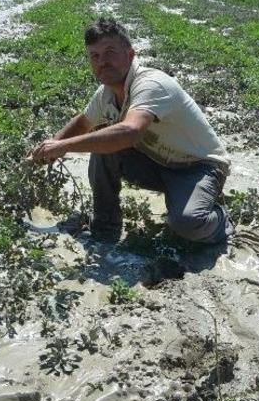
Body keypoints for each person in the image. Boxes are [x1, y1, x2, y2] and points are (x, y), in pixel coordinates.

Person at [28, 17, 233, 244]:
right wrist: (50, 148)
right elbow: (83, 123)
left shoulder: (151, 83)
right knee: (103, 144)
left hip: (199, 167)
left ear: (130, 54)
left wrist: (63, 146)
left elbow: (130, 132)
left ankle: (221, 219)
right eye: (95, 56)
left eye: (110, 52)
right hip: (158, 163)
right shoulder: (106, 93)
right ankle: (106, 225)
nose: (102, 62)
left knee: (187, 223)